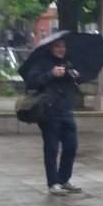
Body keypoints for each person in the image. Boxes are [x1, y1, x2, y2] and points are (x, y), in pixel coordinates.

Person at [25, 34, 82, 196]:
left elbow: (75, 83)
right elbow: (32, 82)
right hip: (49, 112)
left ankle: (64, 179)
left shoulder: (67, 62)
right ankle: (53, 183)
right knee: (51, 148)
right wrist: (51, 74)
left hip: (66, 110)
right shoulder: (41, 62)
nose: (61, 49)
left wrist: (75, 76)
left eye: (63, 46)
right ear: (51, 48)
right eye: (57, 46)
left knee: (71, 146)